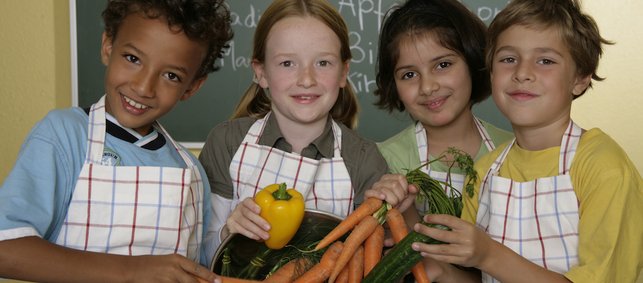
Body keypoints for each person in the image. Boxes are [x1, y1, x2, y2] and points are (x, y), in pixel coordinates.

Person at [409, 0, 643, 282]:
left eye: (545, 60)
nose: (522, 73)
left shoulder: (601, 165)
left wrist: (489, 254)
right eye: (508, 59)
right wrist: (442, 271)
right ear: (492, 73)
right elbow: (481, 276)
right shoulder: (484, 172)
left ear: (580, 78)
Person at [0, 0, 233, 282]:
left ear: (192, 87)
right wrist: (132, 271)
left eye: (171, 76)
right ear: (108, 46)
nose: (143, 87)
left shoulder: (191, 172)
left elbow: (199, 269)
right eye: (133, 59)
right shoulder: (65, 135)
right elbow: (6, 249)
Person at [199, 0, 388, 251]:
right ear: (261, 73)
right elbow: (198, 253)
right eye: (287, 63)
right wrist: (228, 230)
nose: (307, 79)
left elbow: (372, 257)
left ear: (343, 73)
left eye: (323, 63)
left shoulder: (364, 160)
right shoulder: (226, 142)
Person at [366, 0, 512, 226]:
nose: (427, 87)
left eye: (443, 65)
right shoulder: (382, 161)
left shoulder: (513, 148)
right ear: (394, 86)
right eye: (409, 75)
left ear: (472, 61)